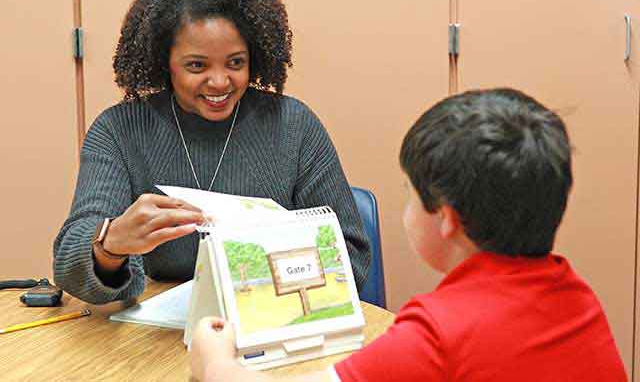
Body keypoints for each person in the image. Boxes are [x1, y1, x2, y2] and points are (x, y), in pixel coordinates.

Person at [189, 88, 627, 381]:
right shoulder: (578, 298)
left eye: (411, 193)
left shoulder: (438, 334)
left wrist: (216, 362)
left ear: (447, 219)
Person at [53, 0, 370, 305]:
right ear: (165, 62)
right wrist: (110, 243)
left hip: (275, 319)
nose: (219, 82)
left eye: (235, 63)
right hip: (156, 337)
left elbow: (351, 258)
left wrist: (261, 286)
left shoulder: (294, 125)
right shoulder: (119, 131)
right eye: (197, 66)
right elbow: (69, 265)